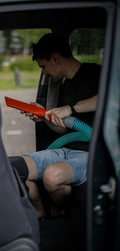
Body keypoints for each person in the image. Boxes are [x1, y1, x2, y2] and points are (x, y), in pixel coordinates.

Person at [21, 33, 101, 218]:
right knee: (18, 167)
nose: (45, 73)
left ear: (55, 58)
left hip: (94, 153)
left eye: (44, 67)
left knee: (52, 175)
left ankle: (60, 211)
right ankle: (39, 210)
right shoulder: (65, 85)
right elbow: (64, 129)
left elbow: (110, 97)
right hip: (65, 149)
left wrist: (71, 109)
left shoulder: (96, 73)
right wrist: (45, 117)